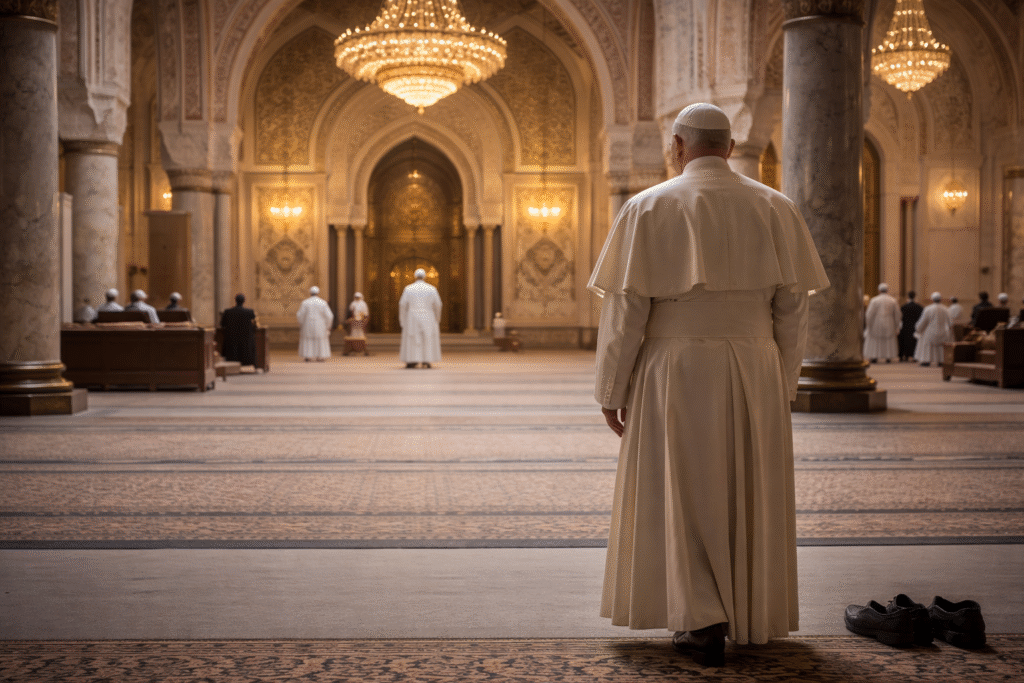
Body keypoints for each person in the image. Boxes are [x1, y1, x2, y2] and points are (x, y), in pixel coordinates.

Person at [588, 102, 829, 666]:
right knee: (741, 484)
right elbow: (793, 311)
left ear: (677, 145)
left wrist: (610, 390)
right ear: (727, 145)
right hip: (755, 365)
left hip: (671, 367)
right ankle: (747, 611)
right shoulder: (777, 207)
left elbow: (625, 313)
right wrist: (781, 382)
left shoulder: (646, 207)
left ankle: (698, 618)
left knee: (682, 488)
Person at [399, 268, 442, 368]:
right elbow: (438, 304)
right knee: (426, 338)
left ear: (415, 276)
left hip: (412, 316)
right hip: (428, 316)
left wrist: (403, 319)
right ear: (425, 277)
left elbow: (402, 304)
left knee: (413, 338)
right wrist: (437, 318)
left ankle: (411, 361)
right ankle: (426, 360)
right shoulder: (432, 289)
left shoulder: (408, 288)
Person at [863, 283, 900, 363]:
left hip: (876, 323)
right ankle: (888, 357)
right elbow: (897, 314)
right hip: (889, 322)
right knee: (888, 341)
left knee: (875, 341)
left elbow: (869, 314)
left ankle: (874, 356)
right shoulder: (893, 300)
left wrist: (868, 325)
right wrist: (897, 325)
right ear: (887, 290)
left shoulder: (874, 300)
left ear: (879, 290)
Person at [914, 292, 952, 367]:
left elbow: (923, 321)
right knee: (941, 347)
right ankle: (941, 360)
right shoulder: (946, 309)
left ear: (932, 300)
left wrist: (918, 328)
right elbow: (950, 323)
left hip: (930, 332)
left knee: (925, 342)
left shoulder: (928, 309)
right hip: (942, 331)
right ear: (941, 299)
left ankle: (926, 360)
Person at [296, 286, 334, 362]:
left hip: (308, 324)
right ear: (318, 293)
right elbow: (330, 316)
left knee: (308, 340)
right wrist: (328, 326)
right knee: (320, 340)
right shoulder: (323, 303)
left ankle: (308, 356)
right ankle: (321, 357)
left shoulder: (305, 302)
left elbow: (300, 315)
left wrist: (301, 323)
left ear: (310, 293)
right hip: (320, 324)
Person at [219, 293, 257, 367]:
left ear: (235, 300)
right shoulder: (250, 312)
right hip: (246, 340)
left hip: (232, 340)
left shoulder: (228, 312)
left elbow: (222, 324)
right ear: (244, 301)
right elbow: (254, 325)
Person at [898, 291, 923, 362]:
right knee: (914, 342)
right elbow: (921, 318)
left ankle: (903, 356)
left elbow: (900, 317)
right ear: (915, 296)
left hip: (905, 327)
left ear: (908, 296)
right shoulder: (919, 307)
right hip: (914, 327)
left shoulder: (903, 307)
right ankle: (914, 356)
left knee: (904, 341)